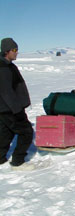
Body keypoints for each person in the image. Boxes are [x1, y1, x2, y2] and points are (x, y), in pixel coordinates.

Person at [0, 38, 34, 170]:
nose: (16, 52)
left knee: (6, 133)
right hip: (10, 108)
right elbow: (6, 92)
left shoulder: (9, 65)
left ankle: (0, 157)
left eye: (17, 50)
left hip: (5, 109)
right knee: (26, 132)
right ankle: (18, 161)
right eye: (14, 50)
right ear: (6, 51)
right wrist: (17, 111)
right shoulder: (3, 68)